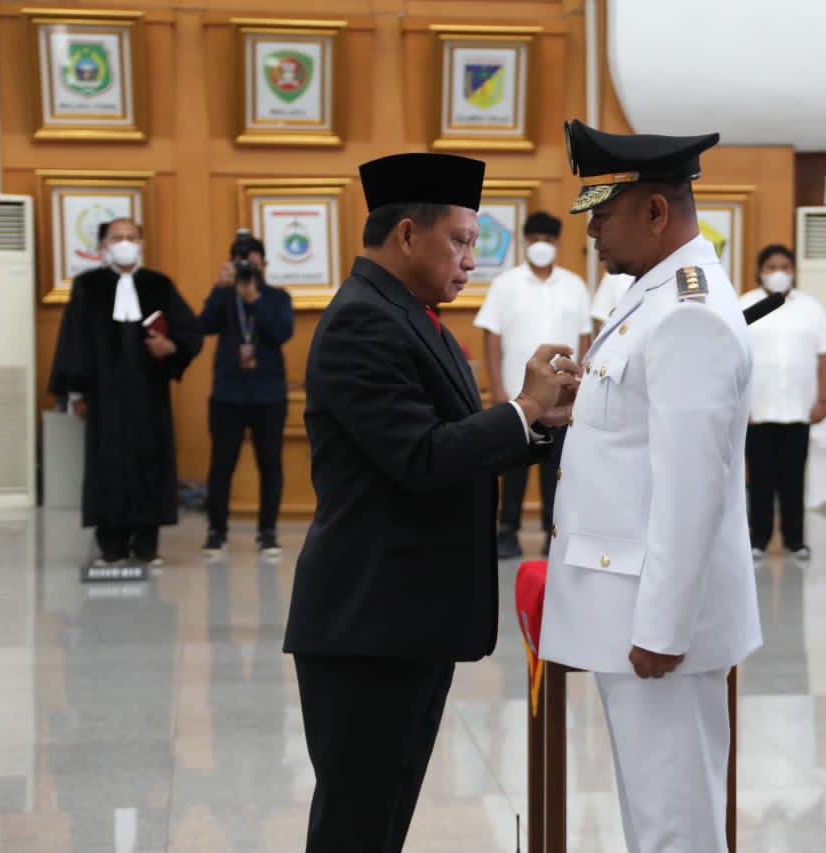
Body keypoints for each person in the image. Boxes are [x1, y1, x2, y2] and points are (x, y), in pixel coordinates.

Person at [282, 152, 580, 853]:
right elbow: (421, 456)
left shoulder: (411, 315)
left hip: (408, 618)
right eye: (461, 241)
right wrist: (521, 409)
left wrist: (540, 422)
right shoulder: (363, 321)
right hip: (368, 622)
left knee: (383, 820)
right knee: (356, 827)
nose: (471, 260)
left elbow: (455, 439)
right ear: (408, 234)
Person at [540, 120, 763, 853]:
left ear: (656, 211)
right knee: (655, 822)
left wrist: (663, 631)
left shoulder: (687, 315)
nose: (592, 232)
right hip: (632, 616)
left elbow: (692, 491)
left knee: (676, 830)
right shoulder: (655, 295)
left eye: (603, 215)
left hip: (659, 629)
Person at [48, 217, 203, 566]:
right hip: (104, 397)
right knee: (108, 467)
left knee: (150, 464)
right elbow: (72, 340)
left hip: (150, 396)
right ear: (104, 246)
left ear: (142, 245)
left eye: (131, 237)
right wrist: (75, 394)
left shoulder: (159, 285)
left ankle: (147, 546)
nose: (124, 243)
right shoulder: (88, 286)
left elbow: (189, 332)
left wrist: (171, 347)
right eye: (117, 238)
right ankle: (112, 546)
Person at [474, 211, 592, 558]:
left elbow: (585, 338)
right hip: (518, 396)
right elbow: (492, 338)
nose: (542, 245)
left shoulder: (574, 285)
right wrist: (497, 388)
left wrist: (580, 384)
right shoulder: (505, 284)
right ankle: (507, 532)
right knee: (513, 468)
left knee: (556, 469)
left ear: (558, 243)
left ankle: (552, 534)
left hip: (561, 398)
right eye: (536, 239)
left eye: (549, 239)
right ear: (525, 241)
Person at [199, 232, 295, 557]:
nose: (247, 270)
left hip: (269, 394)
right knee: (221, 464)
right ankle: (216, 531)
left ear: (264, 265)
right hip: (227, 394)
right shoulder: (224, 296)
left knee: (270, 464)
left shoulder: (277, 297)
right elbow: (204, 325)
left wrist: (254, 298)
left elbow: (282, 332)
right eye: (242, 264)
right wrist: (219, 287)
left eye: (253, 264)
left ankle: (267, 532)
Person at [739, 243, 826, 561]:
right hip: (757, 410)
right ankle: (759, 540)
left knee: (794, 479)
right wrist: (739, 405)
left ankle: (795, 541)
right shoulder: (745, 305)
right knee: (760, 479)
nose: (778, 273)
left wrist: (822, 400)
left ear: (793, 271)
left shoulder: (811, 307)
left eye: (785, 267)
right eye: (772, 267)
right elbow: (731, 358)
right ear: (760, 271)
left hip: (799, 409)